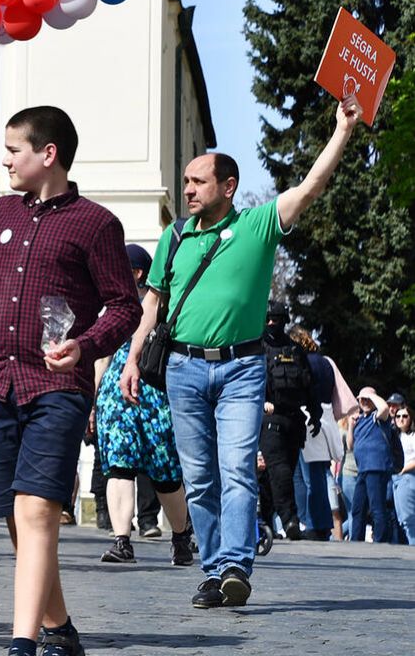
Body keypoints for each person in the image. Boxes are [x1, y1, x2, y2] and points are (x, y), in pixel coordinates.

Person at [120, 96, 362, 607]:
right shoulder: (174, 235)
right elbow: (154, 300)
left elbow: (311, 186)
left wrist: (341, 131)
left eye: (198, 182)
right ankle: (213, 569)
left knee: (234, 469)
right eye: (185, 181)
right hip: (183, 367)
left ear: (227, 187)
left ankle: (235, 566)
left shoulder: (258, 226)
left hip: (242, 368)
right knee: (199, 476)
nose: (187, 189)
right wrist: (135, 353)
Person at [0, 107, 139, 656]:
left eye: (14, 149)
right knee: (17, 518)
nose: (5, 159)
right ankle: (60, 628)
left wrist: (87, 343)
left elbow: (124, 306)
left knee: (36, 514)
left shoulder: (95, 223)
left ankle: (23, 643)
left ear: (48, 153)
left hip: (58, 388)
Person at [93, 244, 193, 566]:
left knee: (165, 472)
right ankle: (122, 540)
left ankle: (180, 536)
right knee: (117, 465)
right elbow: (101, 356)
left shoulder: (162, 305)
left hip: (154, 390)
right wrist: (94, 402)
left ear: (136, 273)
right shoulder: (110, 306)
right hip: (116, 394)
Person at [259, 302, 322, 541]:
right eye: (269, 320)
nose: (272, 324)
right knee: (279, 471)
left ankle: (266, 521)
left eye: (277, 319)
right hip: (269, 420)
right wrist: (259, 404)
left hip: (294, 421)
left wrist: (314, 415)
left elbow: (310, 386)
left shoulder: (296, 351)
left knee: (275, 475)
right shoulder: (256, 349)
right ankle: (290, 519)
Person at [290, 326, 351, 540]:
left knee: (307, 476)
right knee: (313, 474)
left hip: (307, 417)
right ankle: (317, 522)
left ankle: (313, 524)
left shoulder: (305, 362)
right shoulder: (325, 362)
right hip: (325, 419)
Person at [347, 388, 395, 543]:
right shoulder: (359, 420)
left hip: (377, 467)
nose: (365, 402)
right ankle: (356, 541)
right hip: (362, 469)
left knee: (377, 508)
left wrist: (371, 395)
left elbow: (385, 408)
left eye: (368, 399)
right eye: (362, 399)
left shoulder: (379, 417)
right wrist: (350, 425)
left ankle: (380, 541)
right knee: (357, 508)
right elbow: (350, 446)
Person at [392, 397, 415, 544]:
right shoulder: (395, 436)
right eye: (398, 416)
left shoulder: (413, 437)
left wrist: (402, 470)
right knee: (400, 519)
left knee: (408, 518)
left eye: (404, 416)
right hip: (395, 479)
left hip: (408, 477)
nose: (401, 419)